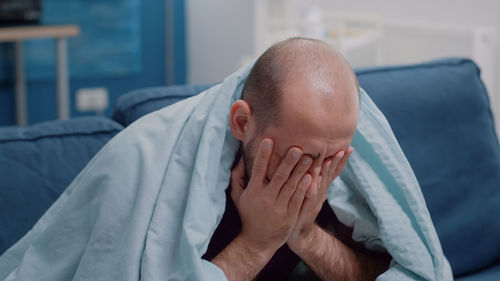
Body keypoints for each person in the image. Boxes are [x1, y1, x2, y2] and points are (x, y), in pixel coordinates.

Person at [203, 38, 392, 280]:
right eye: (297, 159)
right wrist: (257, 243)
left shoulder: (337, 169)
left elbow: (389, 274)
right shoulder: (194, 181)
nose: (313, 186)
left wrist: (305, 235)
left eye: (331, 159)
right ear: (242, 122)